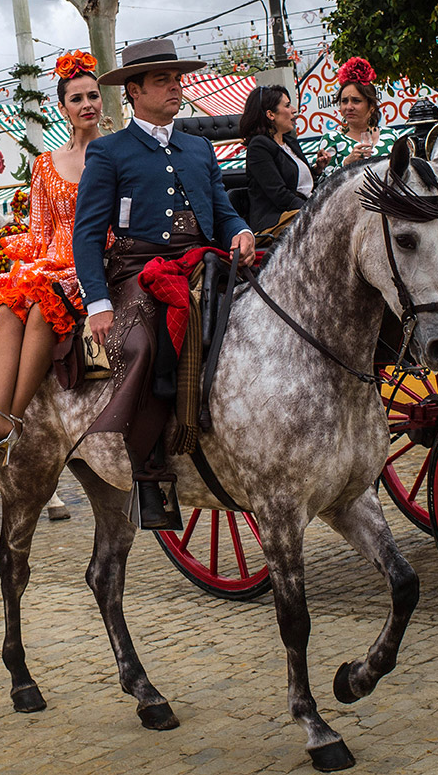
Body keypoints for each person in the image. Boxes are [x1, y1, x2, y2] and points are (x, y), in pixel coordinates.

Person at [73, 38, 256, 530]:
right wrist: (98, 303)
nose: (176, 87)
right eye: (162, 81)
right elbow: (87, 234)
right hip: (138, 271)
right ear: (133, 91)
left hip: (203, 261)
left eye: (177, 79)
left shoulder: (197, 147)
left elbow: (220, 207)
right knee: (143, 345)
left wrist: (239, 229)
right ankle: (149, 471)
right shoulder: (109, 152)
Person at [0, 51, 103, 466]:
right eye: (77, 99)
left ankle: (12, 419)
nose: (87, 104)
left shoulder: (114, 154)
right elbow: (39, 234)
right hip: (53, 260)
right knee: (8, 302)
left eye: (93, 95)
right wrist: (19, 266)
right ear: (63, 108)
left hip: (97, 259)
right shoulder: (44, 164)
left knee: (42, 306)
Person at [240, 84, 330, 237]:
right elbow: (280, 196)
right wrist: (316, 209)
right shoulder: (259, 146)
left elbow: (299, 185)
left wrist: (317, 169)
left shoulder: (290, 142)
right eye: (287, 105)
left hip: (298, 212)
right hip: (275, 221)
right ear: (271, 114)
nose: (294, 110)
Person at [315, 58, 404, 170]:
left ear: (371, 106)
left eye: (356, 101)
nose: (349, 107)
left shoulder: (392, 136)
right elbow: (322, 182)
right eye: (344, 101)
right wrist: (346, 164)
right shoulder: (332, 139)